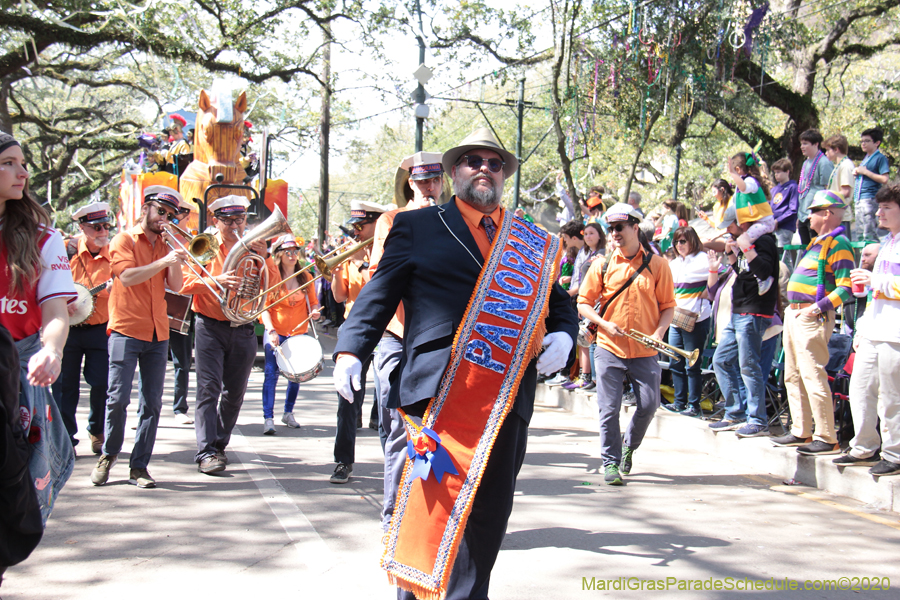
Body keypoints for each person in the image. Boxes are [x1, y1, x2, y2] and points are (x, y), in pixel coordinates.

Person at [333, 128, 577, 599]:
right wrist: (350, 350)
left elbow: (557, 300)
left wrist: (566, 333)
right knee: (430, 514)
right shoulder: (417, 226)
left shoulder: (528, 239)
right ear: (453, 172)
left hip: (507, 399)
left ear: (504, 173)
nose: (484, 168)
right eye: (472, 160)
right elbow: (378, 295)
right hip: (437, 396)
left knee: (486, 520)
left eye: (494, 162)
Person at [90, 186, 189, 489]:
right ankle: (108, 455)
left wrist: (175, 259)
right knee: (117, 399)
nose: (165, 219)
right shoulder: (124, 240)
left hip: (158, 332)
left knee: (152, 403)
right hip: (125, 329)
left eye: (171, 216)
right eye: (161, 212)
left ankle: (139, 466)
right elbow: (127, 276)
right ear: (146, 208)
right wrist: (163, 260)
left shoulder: (165, 243)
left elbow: (175, 285)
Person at [0, 131, 76, 524]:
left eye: (23, 163)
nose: (23, 173)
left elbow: (56, 312)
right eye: (8, 163)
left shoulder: (45, 239)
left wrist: (52, 350)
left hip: (15, 378)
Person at [372, 150, 448, 530]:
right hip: (398, 336)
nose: (428, 188)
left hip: (437, 339)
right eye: (421, 182)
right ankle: (393, 517)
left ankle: (427, 511)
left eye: (434, 181)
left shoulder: (455, 220)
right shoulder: (391, 220)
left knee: (438, 427)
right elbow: (380, 275)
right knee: (400, 429)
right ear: (410, 184)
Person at [578, 203, 676, 484]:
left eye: (619, 227)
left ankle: (628, 447)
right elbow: (583, 303)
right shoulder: (602, 264)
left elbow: (668, 306)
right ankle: (610, 462)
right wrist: (605, 324)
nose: (614, 233)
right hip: (608, 346)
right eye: (611, 229)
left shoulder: (658, 265)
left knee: (649, 404)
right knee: (608, 408)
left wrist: (659, 333)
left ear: (635, 228)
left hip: (645, 349)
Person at [178, 195, 276, 474]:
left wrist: (265, 257)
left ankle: (218, 444)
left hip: (243, 327)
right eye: (228, 220)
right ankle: (206, 451)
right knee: (208, 389)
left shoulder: (252, 248)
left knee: (235, 393)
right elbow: (183, 283)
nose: (235, 225)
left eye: (240, 219)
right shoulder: (206, 246)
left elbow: (273, 289)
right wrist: (214, 280)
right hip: (210, 326)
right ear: (215, 220)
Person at [771, 190, 853, 455]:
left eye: (812, 211)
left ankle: (826, 436)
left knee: (812, 375)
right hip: (797, 315)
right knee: (792, 376)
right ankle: (801, 430)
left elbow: (846, 288)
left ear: (827, 213)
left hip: (812, 316)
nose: (808, 216)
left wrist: (815, 309)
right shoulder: (818, 243)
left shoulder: (839, 244)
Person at [835, 182, 900, 476]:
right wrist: (861, 328)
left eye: (887, 208)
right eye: (880, 207)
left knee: (891, 397)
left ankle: (894, 453)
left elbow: (888, 287)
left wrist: (877, 282)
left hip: (895, 334)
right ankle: (863, 447)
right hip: (874, 330)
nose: (880, 214)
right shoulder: (886, 243)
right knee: (860, 389)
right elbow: (876, 295)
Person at [328, 199, 389, 483]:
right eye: (355, 226)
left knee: (389, 398)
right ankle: (343, 461)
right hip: (355, 329)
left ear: (377, 223)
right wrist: (337, 269)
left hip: (389, 329)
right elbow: (340, 297)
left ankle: (395, 464)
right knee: (348, 398)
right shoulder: (348, 256)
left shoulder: (390, 249)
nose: (357, 232)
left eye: (362, 226)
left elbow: (384, 286)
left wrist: (364, 264)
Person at [709, 202, 779, 437]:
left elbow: (764, 273)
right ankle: (735, 412)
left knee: (749, 365)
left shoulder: (765, 241)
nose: (728, 230)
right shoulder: (741, 242)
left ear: (743, 222)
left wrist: (747, 248)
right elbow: (745, 274)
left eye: (731, 225)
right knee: (721, 360)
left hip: (754, 312)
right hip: (738, 311)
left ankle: (757, 419)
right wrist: (731, 254)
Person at [52, 201, 113, 454]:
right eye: (96, 227)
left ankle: (96, 430)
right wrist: (59, 302)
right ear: (82, 227)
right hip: (68, 329)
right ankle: (66, 436)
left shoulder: (116, 253)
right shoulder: (65, 251)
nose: (102, 232)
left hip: (101, 329)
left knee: (101, 383)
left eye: (106, 226)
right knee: (65, 386)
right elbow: (50, 283)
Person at [258, 235, 321, 434]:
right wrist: (271, 330)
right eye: (288, 252)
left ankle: (288, 412)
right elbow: (263, 307)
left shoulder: (305, 276)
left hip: (298, 333)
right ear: (279, 254)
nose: (293, 255)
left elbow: (314, 302)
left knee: (295, 375)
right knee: (271, 374)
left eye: (295, 251)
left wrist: (315, 312)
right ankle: (268, 417)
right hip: (275, 332)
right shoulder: (272, 276)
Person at [664, 226, 712, 417]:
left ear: (692, 240)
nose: (679, 245)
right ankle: (679, 402)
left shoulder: (703, 259)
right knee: (675, 361)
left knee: (693, 363)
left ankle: (694, 405)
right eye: (676, 242)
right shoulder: (674, 263)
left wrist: (707, 294)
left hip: (697, 319)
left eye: (683, 241)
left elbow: (721, 275)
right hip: (676, 318)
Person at [564, 221, 605, 391]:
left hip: (596, 303)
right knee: (584, 339)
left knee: (593, 341)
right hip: (584, 301)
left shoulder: (603, 254)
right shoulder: (585, 252)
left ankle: (596, 380)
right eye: (586, 234)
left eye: (591, 233)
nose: (588, 237)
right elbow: (579, 279)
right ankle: (584, 376)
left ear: (600, 236)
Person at [728, 151, 776, 295]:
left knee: (743, 241)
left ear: (738, 170)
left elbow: (744, 188)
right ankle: (743, 269)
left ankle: (763, 278)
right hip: (756, 223)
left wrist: (732, 174)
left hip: (764, 222)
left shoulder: (750, 182)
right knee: (737, 244)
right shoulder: (739, 187)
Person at [796, 129, 834, 246]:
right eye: (801, 143)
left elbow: (827, 189)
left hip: (816, 213)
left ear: (816, 144)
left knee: (817, 247)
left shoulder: (824, 162)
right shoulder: (805, 163)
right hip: (803, 214)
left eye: (806, 143)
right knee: (806, 248)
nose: (802, 147)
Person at [853, 127, 891, 242]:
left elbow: (885, 179)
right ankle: (863, 259)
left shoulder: (880, 158)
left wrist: (865, 172)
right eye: (862, 141)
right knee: (860, 234)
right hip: (859, 199)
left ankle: (874, 259)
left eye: (867, 141)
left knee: (869, 234)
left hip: (870, 199)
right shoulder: (866, 158)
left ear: (877, 143)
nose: (863, 143)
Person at [842, 242, 879, 337]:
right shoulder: (858, 277)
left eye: (867, 255)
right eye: (862, 255)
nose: (862, 259)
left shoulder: (886, 279)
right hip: (857, 332)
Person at [769, 158, 799, 254]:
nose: (776, 175)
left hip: (785, 227)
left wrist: (778, 220)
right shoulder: (774, 190)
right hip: (772, 227)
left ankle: (786, 270)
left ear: (787, 172)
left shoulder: (793, 187)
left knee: (784, 256)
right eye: (775, 172)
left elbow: (793, 210)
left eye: (778, 172)